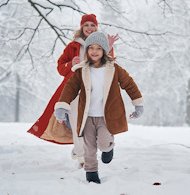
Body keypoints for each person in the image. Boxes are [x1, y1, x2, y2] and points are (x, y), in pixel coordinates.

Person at [26, 14, 118, 167]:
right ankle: (83, 158)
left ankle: (98, 146)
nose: (89, 28)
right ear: (81, 27)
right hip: (75, 90)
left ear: (96, 27)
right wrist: (70, 64)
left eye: (92, 25)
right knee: (78, 123)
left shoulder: (100, 44)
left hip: (95, 90)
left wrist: (109, 47)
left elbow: (108, 65)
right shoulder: (73, 46)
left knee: (96, 121)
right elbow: (61, 67)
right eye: (86, 25)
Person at [54, 31, 144, 184]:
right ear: (87, 50)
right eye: (91, 48)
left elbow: (129, 84)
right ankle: (91, 174)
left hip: (106, 117)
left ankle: (108, 148)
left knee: (103, 143)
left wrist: (138, 104)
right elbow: (70, 88)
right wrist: (62, 106)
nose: (94, 51)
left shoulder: (114, 69)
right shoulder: (81, 71)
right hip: (87, 117)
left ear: (104, 50)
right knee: (89, 147)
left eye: (98, 48)